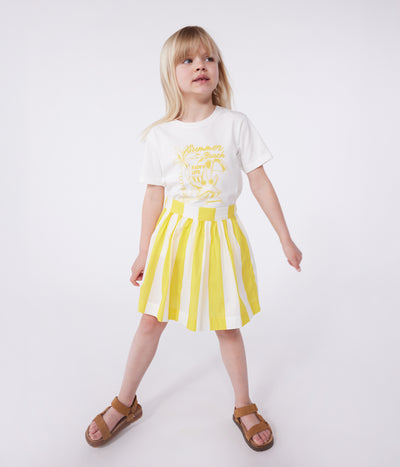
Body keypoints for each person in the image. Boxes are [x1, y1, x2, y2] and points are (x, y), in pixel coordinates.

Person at [85, 25, 302, 452]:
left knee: (227, 325)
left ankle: (243, 405)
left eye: (208, 58)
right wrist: (143, 250)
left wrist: (285, 238)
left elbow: (260, 183)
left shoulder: (235, 124)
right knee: (151, 320)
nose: (200, 66)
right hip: (174, 238)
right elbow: (153, 196)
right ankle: (125, 402)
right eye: (187, 60)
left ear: (219, 69)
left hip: (220, 236)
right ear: (172, 74)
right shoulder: (161, 135)